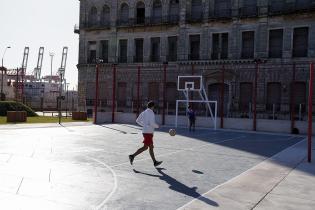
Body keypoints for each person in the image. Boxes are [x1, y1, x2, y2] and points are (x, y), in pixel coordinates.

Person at [129, 101, 163, 167]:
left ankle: (154, 162)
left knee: (149, 147)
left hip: (145, 132)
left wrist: (144, 125)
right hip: (149, 132)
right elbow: (152, 123)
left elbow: (137, 121)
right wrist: (157, 126)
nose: (154, 108)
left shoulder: (143, 112)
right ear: (152, 106)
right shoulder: (151, 113)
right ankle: (132, 156)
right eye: (154, 107)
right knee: (146, 147)